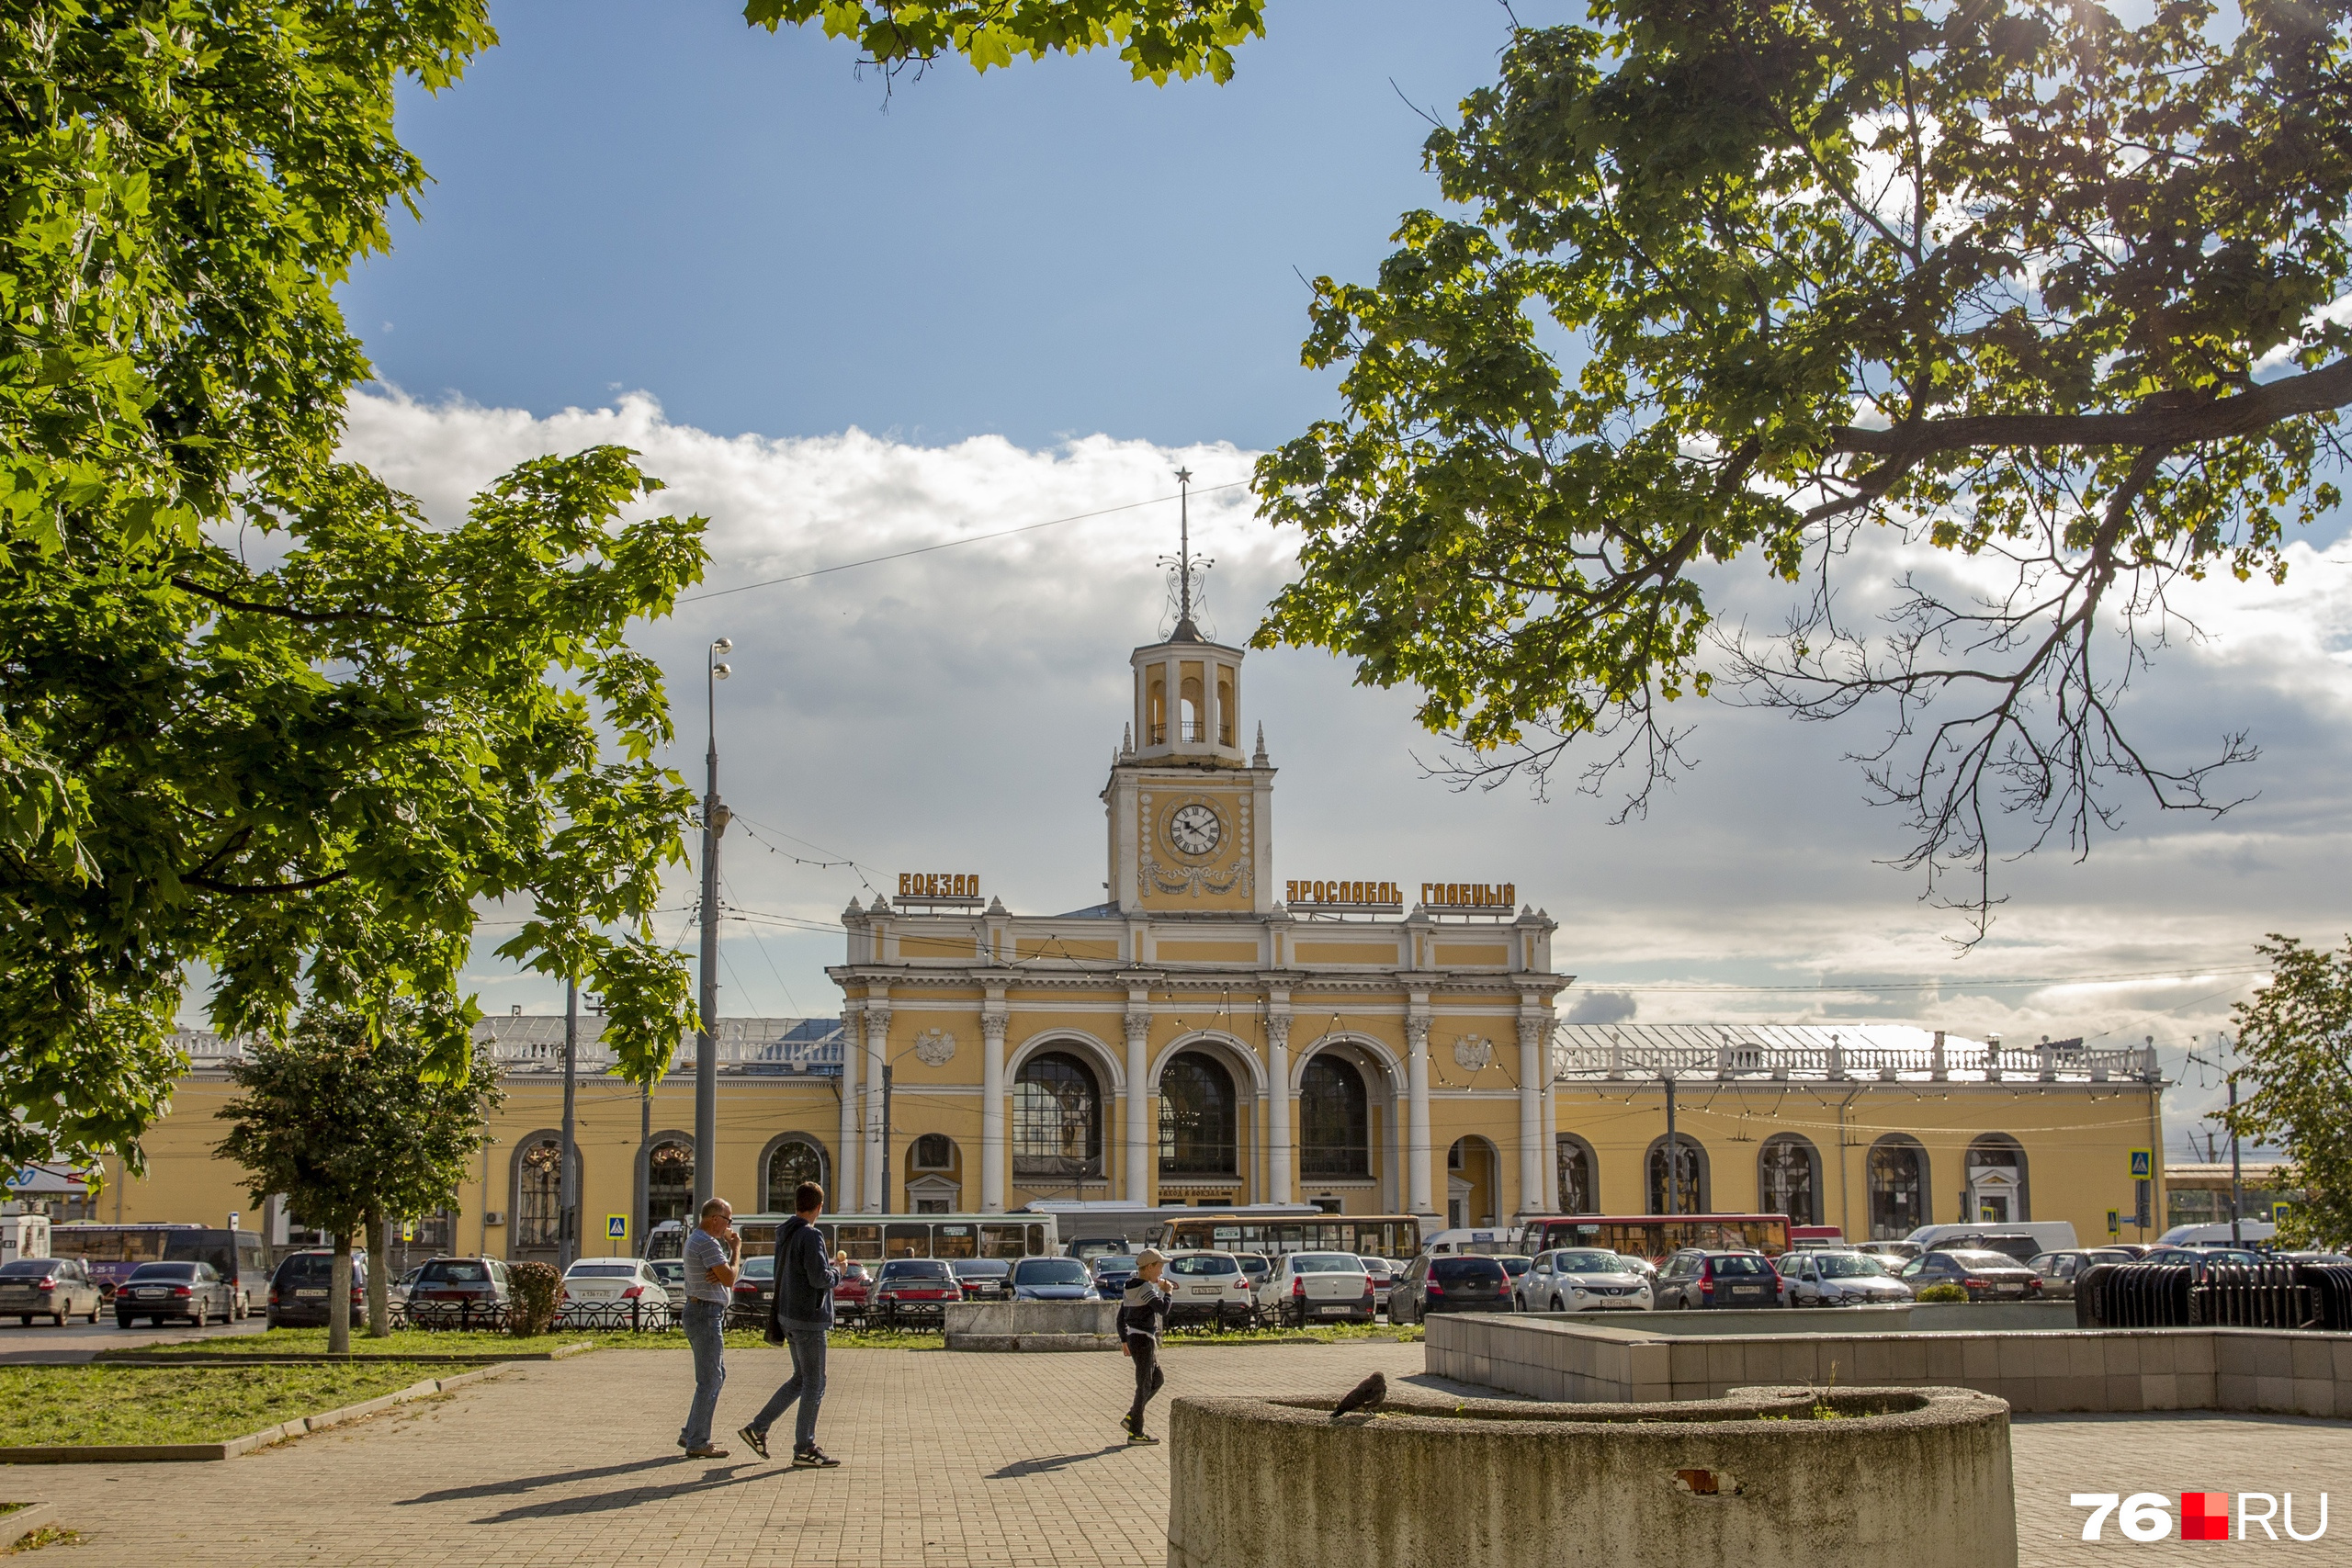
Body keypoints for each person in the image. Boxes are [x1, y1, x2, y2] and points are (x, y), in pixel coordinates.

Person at [739, 1180, 847, 1467]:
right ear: (819, 1207)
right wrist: (838, 1273)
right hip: (808, 1319)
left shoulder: (785, 1231)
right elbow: (818, 1278)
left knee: (800, 1378)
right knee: (815, 1382)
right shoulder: (811, 1236)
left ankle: (757, 1428)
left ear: (796, 1204)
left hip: (787, 1315)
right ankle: (805, 1448)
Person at [677, 1196, 741, 1459]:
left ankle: (690, 1432)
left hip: (700, 1311)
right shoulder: (707, 1242)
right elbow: (729, 1278)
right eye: (728, 1220)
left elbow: (723, 1276)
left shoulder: (699, 1240)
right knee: (710, 1379)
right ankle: (698, 1441)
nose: (729, 1226)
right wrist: (736, 1250)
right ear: (715, 1219)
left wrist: (724, 1271)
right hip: (705, 1314)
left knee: (716, 1375)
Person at [1116, 1247, 1171, 1444]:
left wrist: (1124, 1339)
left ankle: (1132, 1416)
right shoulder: (1145, 1288)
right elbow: (1162, 1310)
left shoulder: (1129, 1286)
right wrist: (1168, 1293)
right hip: (1143, 1340)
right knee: (1145, 1384)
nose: (1161, 1272)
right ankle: (1135, 1432)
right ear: (1149, 1268)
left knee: (1157, 1379)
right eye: (1159, 1267)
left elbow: (1121, 1317)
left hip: (1134, 1338)